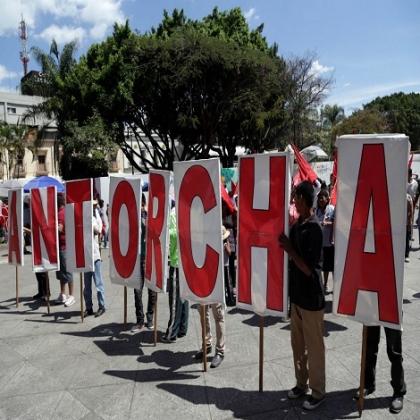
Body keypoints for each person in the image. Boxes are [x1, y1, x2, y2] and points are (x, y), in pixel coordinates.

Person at [279, 180, 326, 410]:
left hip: (312, 300)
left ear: (305, 200)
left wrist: (289, 249)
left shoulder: (315, 229)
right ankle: (301, 383)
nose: (294, 201)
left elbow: (308, 268)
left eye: (296, 197)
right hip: (297, 297)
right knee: (298, 345)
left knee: (314, 347)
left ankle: (318, 391)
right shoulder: (296, 226)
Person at [354, 326, 406, 414]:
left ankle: (399, 392)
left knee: (394, 351)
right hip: (372, 312)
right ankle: (368, 384)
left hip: (392, 312)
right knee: (369, 346)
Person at [161, 200, 189, 342]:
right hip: (185, 261)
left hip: (177, 261)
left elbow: (173, 234)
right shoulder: (186, 212)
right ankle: (183, 328)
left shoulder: (173, 214)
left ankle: (172, 332)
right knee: (184, 297)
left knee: (175, 299)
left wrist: (164, 231)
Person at [132, 193, 156, 332]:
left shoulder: (148, 217)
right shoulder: (133, 219)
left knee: (151, 290)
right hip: (137, 259)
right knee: (137, 291)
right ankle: (140, 320)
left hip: (149, 258)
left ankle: (150, 318)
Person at [83, 199, 106, 317]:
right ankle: (88, 307)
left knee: (98, 283)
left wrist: (93, 228)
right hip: (87, 254)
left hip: (95, 254)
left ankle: (102, 306)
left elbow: (98, 230)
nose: (94, 206)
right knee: (87, 285)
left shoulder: (96, 215)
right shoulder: (85, 214)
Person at [55, 194, 75, 306]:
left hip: (63, 247)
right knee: (62, 272)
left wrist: (51, 224)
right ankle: (63, 294)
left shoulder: (60, 213)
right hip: (62, 246)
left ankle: (71, 295)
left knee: (67, 271)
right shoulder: (63, 212)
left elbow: (60, 228)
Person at [315, 190, 335, 292]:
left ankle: (336, 286)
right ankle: (325, 284)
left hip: (330, 243)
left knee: (333, 266)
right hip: (321, 243)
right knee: (325, 266)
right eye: (319, 199)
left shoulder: (332, 209)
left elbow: (336, 223)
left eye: (322, 198)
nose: (320, 200)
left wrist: (326, 223)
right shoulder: (317, 211)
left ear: (327, 199)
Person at [405, 193, 413, 262]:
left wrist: (410, 222)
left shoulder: (408, 197)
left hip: (405, 222)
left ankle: (406, 255)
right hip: (398, 222)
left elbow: (411, 210)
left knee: (406, 239)